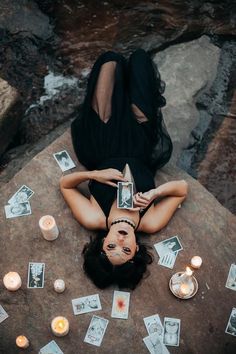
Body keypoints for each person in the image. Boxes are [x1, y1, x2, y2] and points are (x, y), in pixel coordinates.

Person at [60, 49, 188, 289]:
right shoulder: (149, 222)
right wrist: (154, 194)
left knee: (110, 60)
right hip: (139, 145)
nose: (120, 239)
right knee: (140, 58)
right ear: (136, 248)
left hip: (102, 144)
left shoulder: (94, 217)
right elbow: (182, 189)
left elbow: (65, 185)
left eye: (111, 246)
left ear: (102, 242)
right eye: (126, 248)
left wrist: (94, 175)